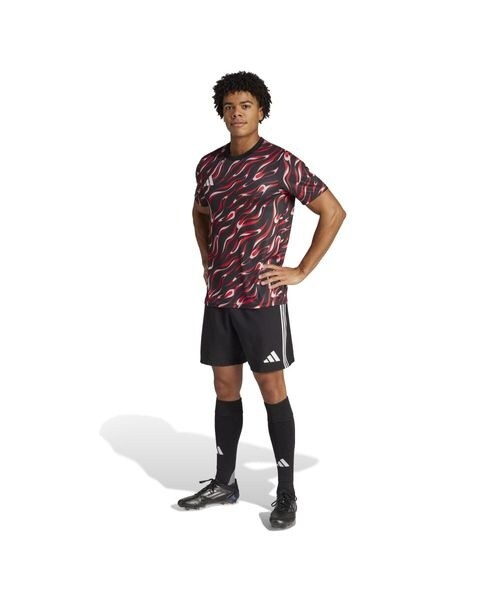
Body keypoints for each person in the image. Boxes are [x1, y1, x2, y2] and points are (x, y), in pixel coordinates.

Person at [177, 71, 346, 528]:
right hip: (220, 296)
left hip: (262, 298)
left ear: (261, 111)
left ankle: (286, 492)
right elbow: (199, 211)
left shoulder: (281, 163)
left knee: (272, 390)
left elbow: (332, 211)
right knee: (224, 388)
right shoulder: (209, 165)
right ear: (222, 113)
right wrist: (207, 258)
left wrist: (301, 270)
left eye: (246, 106)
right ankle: (224, 482)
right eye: (230, 107)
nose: (237, 113)